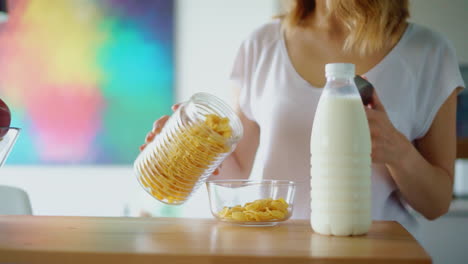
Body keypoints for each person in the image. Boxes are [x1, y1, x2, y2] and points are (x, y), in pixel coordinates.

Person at [141, 0, 465, 235]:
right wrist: (191, 151)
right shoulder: (262, 44)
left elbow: (435, 204)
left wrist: (399, 151)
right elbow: (236, 166)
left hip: (376, 252)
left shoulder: (429, 52)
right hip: (278, 251)